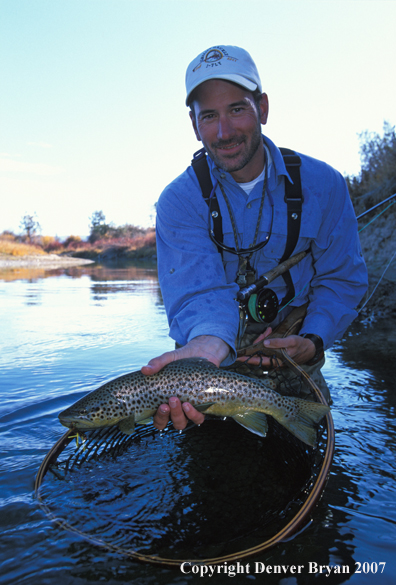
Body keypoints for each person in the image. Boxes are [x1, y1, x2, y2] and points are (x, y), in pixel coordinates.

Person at [141, 44, 368, 431]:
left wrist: (313, 339)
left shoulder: (323, 185)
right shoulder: (178, 201)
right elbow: (199, 292)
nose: (224, 131)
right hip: (206, 369)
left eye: (237, 109)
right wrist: (209, 345)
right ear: (194, 125)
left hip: (295, 353)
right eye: (209, 116)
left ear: (262, 107)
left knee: (307, 447)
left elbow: (341, 278)